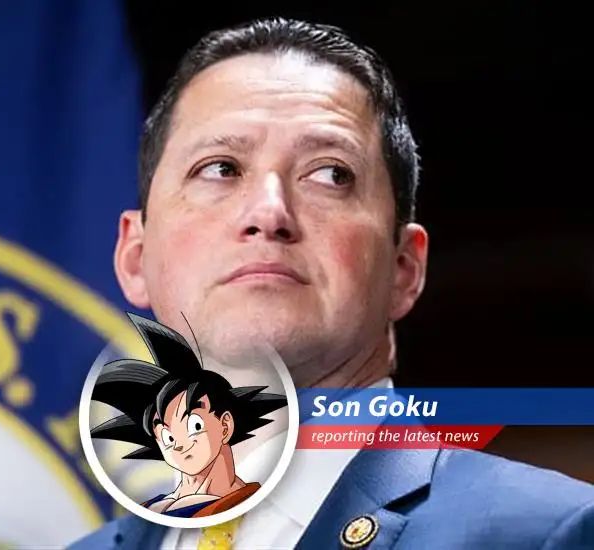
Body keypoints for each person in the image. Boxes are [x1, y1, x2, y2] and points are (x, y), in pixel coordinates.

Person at [70, 17, 594, 549]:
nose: (269, 212)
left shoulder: (544, 534)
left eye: (331, 174)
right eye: (221, 168)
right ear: (135, 258)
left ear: (404, 269)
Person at [89, 313, 288, 518]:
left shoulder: (276, 492)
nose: (179, 445)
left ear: (225, 425)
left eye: (195, 426)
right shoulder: (153, 514)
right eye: (168, 437)